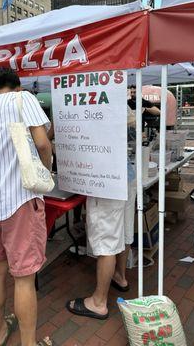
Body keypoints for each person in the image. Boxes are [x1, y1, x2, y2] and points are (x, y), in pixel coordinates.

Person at [0, 67, 53, 346]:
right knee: (24, 278)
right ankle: (28, 344)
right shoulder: (23, 99)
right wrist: (47, 169)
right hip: (18, 200)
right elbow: (42, 143)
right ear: (17, 87)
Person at [66, 107, 137, 320]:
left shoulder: (92, 104)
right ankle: (120, 277)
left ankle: (98, 302)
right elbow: (132, 121)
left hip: (105, 180)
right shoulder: (117, 100)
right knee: (123, 233)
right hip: (125, 175)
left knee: (107, 242)